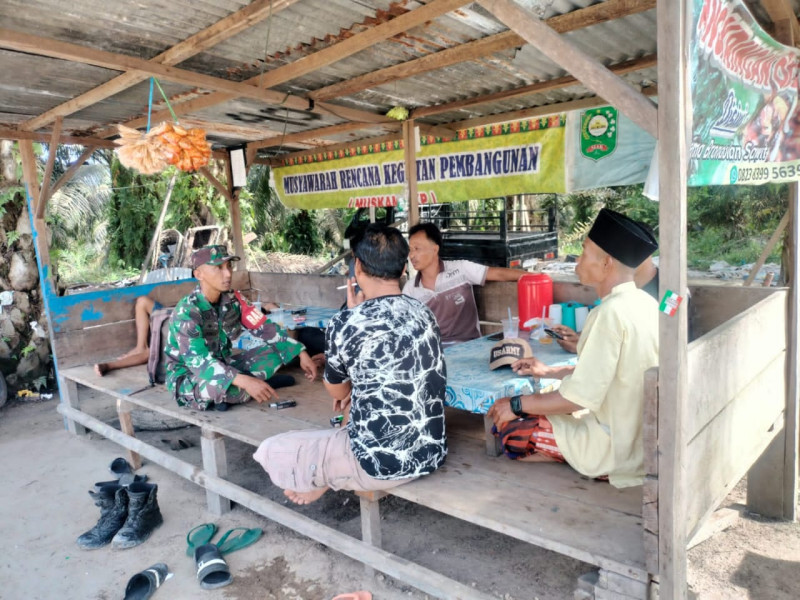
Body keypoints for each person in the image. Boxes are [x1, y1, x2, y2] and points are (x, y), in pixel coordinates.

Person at [253, 224, 447, 505]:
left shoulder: (346, 323)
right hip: (431, 453)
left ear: (357, 267)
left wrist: (354, 319)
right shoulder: (424, 312)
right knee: (355, 403)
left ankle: (326, 477)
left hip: (382, 465)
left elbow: (337, 393)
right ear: (404, 269)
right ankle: (331, 474)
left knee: (271, 448)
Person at [487, 208, 659, 488]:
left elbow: (577, 398)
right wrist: (551, 372)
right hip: (642, 440)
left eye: (584, 252)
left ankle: (581, 462)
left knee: (510, 429)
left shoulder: (608, 314)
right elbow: (612, 374)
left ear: (606, 264)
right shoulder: (645, 303)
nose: (578, 261)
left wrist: (516, 405)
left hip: (615, 448)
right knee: (537, 410)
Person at [164, 245, 317, 411]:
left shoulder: (233, 298)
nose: (228, 273)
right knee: (219, 387)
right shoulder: (187, 310)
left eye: (229, 266)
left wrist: (300, 353)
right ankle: (249, 388)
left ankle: (242, 390)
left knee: (276, 353)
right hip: (191, 377)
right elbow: (199, 362)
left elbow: (264, 327)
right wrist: (245, 381)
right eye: (218, 268)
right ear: (198, 274)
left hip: (225, 364)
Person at [403, 222, 524, 344]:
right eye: (410, 250)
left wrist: (538, 277)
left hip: (469, 346)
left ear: (435, 249)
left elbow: (498, 274)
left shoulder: (461, 269)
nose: (411, 255)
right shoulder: (410, 289)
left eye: (417, 249)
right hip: (434, 353)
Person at [552, 252, 659, 353]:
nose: (578, 259)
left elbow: (655, 346)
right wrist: (584, 338)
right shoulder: (619, 292)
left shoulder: (667, 294)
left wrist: (588, 350)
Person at [94, 296, 159, 377]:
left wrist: (107, 366)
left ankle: (109, 366)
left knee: (151, 352)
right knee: (142, 301)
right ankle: (141, 347)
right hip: (173, 317)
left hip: (173, 335)